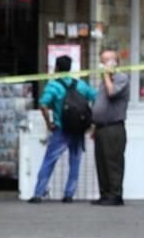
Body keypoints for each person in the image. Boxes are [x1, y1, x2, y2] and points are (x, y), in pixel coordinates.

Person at [28, 55, 96, 204]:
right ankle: (69, 194)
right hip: (78, 130)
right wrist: (92, 121)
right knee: (75, 161)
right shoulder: (81, 85)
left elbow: (43, 104)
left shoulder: (53, 86)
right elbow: (95, 97)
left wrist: (49, 123)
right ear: (70, 68)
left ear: (56, 68)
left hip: (62, 129)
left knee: (49, 160)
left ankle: (39, 193)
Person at [92, 50, 130, 206]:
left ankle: (115, 194)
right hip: (101, 127)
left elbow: (112, 93)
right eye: (101, 61)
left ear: (115, 62)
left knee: (113, 162)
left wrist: (107, 75)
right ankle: (105, 194)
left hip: (114, 127)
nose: (103, 65)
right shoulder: (103, 80)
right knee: (101, 162)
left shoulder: (121, 78)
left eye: (106, 61)